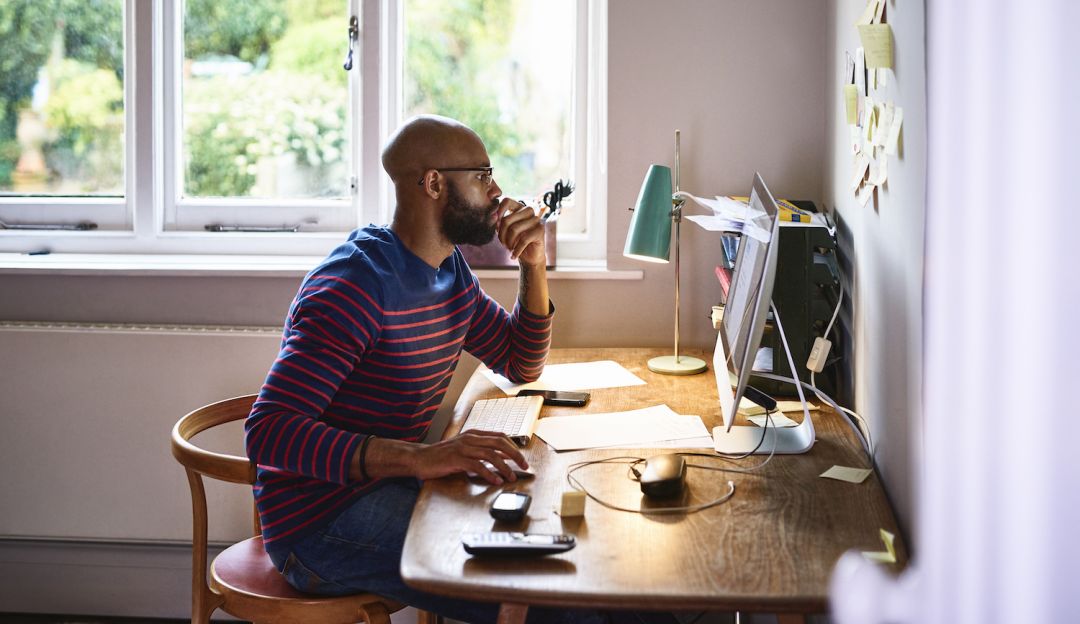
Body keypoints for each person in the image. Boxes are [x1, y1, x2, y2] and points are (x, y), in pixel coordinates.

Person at [244, 115, 602, 624]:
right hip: (319, 523)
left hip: (392, 488)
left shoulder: (448, 270)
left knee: (575, 561)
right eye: (482, 175)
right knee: (556, 596)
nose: (497, 191)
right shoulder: (355, 286)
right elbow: (268, 432)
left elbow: (519, 362)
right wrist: (422, 458)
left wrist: (533, 262)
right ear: (434, 183)